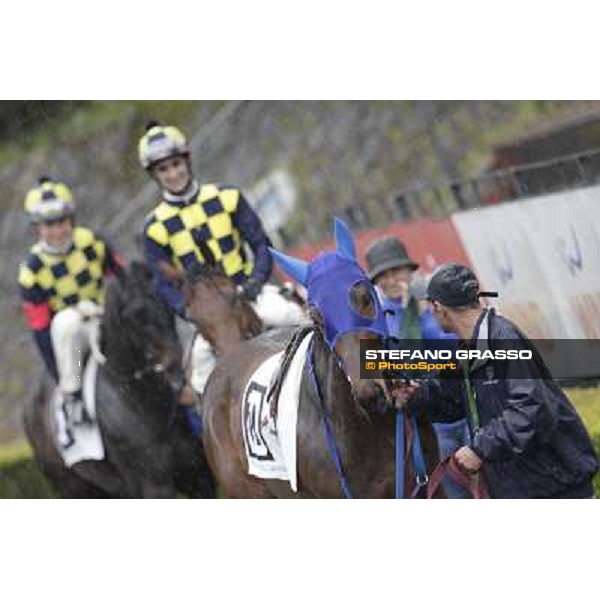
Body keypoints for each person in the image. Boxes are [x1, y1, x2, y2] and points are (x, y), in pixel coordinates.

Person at [139, 121, 307, 413]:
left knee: (298, 317)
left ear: (187, 160)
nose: (173, 173)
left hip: (247, 292)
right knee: (201, 377)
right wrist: (192, 311)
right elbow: (163, 285)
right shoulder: (154, 227)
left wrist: (254, 282)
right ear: (154, 175)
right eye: (163, 169)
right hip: (209, 313)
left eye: (176, 164)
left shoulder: (227, 197)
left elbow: (260, 245)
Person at [397, 262, 599, 498]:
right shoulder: (469, 348)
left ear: (438, 307)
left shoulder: (503, 338)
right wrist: (416, 395)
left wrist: (480, 450)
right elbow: (451, 401)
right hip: (523, 488)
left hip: (554, 489)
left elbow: (531, 407)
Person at [365, 237, 469, 498]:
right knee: (453, 487)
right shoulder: (379, 319)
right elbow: (397, 362)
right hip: (430, 422)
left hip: (467, 406)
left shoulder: (436, 301)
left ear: (410, 271)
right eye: (383, 276)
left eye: (396, 271)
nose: (391, 281)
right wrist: (411, 314)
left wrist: (423, 315)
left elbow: (456, 347)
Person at [18, 177, 124, 426]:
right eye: (49, 225)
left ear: (71, 219)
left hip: (104, 315)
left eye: (62, 222)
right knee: (67, 321)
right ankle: (73, 396)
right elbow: (41, 330)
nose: (57, 231)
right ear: (37, 228)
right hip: (70, 334)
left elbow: (122, 276)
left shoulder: (92, 242)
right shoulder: (32, 270)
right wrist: (58, 374)